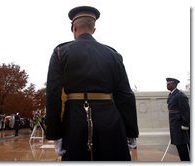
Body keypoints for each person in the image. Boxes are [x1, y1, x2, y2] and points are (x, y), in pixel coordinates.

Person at [46, 6, 139, 161]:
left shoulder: (60, 52)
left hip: (74, 123)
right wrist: (131, 131)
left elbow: (53, 94)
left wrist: (55, 135)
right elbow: (125, 95)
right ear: (93, 29)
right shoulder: (113, 54)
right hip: (111, 123)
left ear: (74, 28)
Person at [166, 77, 190, 161]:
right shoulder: (171, 95)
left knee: (182, 147)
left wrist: (185, 125)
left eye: (169, 83)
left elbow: (186, 111)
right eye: (167, 84)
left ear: (174, 84)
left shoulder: (180, 95)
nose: (167, 85)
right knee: (179, 146)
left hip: (180, 126)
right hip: (174, 125)